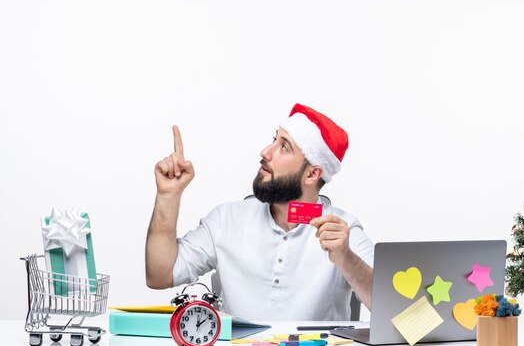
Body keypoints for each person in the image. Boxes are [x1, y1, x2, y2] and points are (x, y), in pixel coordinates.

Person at [145, 103, 374, 321]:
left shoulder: (343, 230)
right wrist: (168, 197)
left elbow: (394, 311)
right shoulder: (227, 219)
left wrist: (347, 259)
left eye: (284, 147)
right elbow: (160, 275)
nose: (265, 152)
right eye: (274, 140)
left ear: (312, 175)